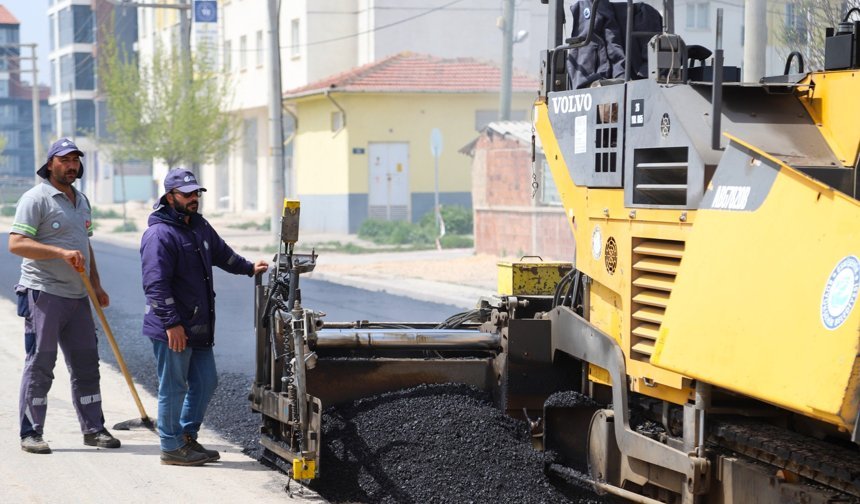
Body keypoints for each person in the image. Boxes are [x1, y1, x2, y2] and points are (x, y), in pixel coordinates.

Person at [140, 168, 268, 466]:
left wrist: (250, 268)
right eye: (187, 194)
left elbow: (223, 255)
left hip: (198, 326)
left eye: (196, 193)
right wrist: (172, 324)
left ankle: (186, 435)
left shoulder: (198, 226)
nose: (194, 198)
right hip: (172, 328)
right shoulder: (160, 235)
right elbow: (155, 285)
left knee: (206, 380)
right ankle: (170, 446)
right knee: (173, 386)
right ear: (170, 196)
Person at [9, 137, 121, 454]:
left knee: (87, 365)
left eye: (75, 160)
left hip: (78, 295)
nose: (72, 165)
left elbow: (86, 246)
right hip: (43, 294)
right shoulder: (36, 198)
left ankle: (94, 429)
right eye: (65, 160)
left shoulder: (81, 200)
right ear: (51, 164)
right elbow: (16, 244)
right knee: (41, 364)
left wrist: (96, 286)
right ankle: (31, 432)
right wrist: (59, 252)